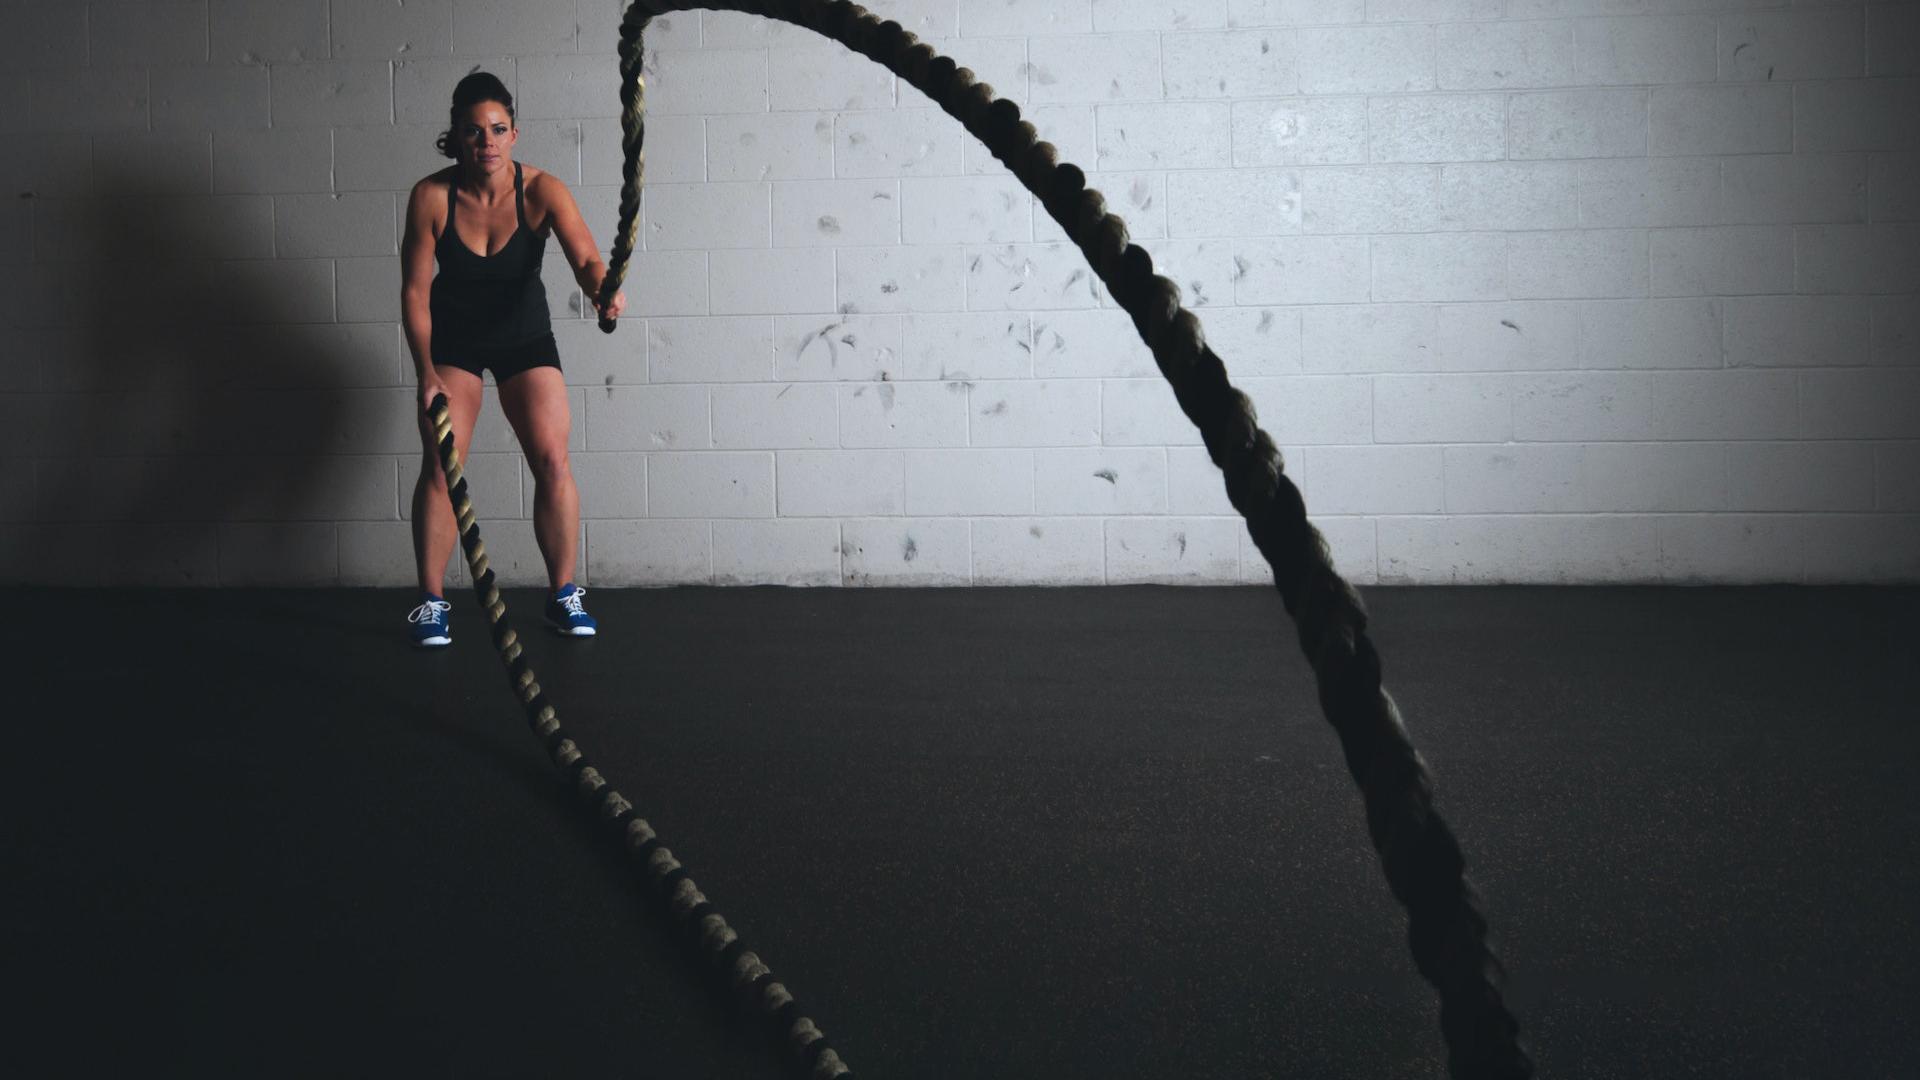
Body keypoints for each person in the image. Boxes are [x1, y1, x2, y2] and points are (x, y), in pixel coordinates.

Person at [402, 72, 625, 647]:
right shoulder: (431, 197)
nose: (488, 143)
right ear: (457, 135)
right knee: (441, 464)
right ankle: (431, 601)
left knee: (553, 458)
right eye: (474, 131)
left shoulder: (543, 191)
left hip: (524, 338)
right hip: (454, 343)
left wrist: (602, 289)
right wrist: (426, 371)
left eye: (498, 129)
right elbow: (415, 293)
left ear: (514, 134)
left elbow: (586, 260)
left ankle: (563, 593)